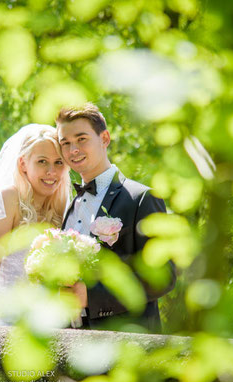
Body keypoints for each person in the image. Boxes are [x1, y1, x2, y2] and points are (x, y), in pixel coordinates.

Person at [56, 103, 176, 332]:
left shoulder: (142, 198)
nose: (73, 150)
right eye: (66, 143)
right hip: (70, 347)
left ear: (105, 138)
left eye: (81, 139)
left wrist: (91, 296)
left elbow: (163, 277)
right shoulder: (71, 206)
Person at [0, 124, 70, 326]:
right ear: (23, 164)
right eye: (42, 161)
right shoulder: (8, 199)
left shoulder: (64, 207)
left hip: (51, 325)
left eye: (58, 162)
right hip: (6, 321)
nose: (51, 171)